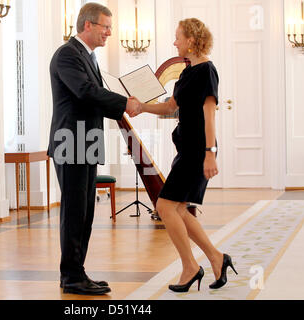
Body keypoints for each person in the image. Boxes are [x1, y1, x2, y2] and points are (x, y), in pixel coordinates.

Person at [129, 18, 238, 292]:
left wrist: (210, 153)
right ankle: (216, 257)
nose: (174, 42)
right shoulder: (186, 73)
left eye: (178, 37)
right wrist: (142, 107)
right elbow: (170, 107)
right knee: (177, 208)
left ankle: (190, 267)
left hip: (198, 149)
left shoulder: (207, 71)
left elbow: (209, 115)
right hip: (186, 149)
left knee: (166, 207)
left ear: (191, 39)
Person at [47, 3, 141, 295]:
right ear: (87, 25)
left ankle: (77, 272)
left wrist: (123, 108)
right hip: (70, 143)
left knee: (85, 210)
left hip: (84, 144)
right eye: (105, 27)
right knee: (75, 211)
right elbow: (85, 92)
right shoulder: (67, 55)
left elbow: (93, 98)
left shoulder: (87, 56)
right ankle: (71, 276)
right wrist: (125, 103)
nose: (109, 33)